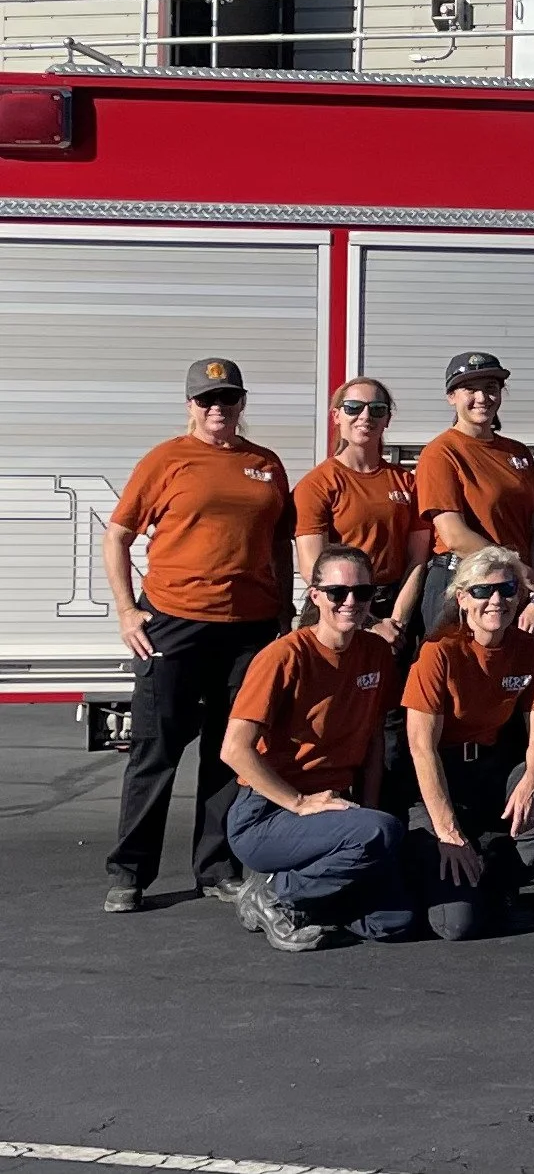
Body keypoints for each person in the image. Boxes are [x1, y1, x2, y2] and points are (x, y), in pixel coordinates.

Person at [101, 357, 293, 915]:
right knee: (155, 751)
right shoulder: (167, 459)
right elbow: (117, 537)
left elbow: (279, 542)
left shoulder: (266, 464)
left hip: (249, 629)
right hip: (176, 622)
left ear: (241, 404)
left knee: (230, 751)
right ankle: (130, 873)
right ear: (189, 405)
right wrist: (127, 610)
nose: (218, 409)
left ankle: (215, 868)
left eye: (228, 399)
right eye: (207, 399)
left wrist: (284, 611)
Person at [219, 546, 412, 951]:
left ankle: (307, 894)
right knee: (380, 834)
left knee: (393, 921)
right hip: (268, 814)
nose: (351, 603)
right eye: (338, 592)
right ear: (316, 595)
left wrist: (370, 807)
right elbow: (234, 750)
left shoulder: (375, 652)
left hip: (337, 809)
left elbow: (375, 737)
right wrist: (300, 802)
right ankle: (274, 894)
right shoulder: (284, 656)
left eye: (362, 592)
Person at [403, 545, 534, 940]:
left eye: (507, 590)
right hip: (443, 781)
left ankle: (498, 877)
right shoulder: (438, 653)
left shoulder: (528, 648)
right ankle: (458, 874)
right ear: (462, 599)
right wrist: (448, 830)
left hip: (492, 771)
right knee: (456, 925)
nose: (496, 601)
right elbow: (422, 748)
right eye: (482, 592)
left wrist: (533, 778)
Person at [413, 351, 534, 637]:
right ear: (451, 396)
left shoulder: (518, 452)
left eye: (491, 388)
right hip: (461, 583)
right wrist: (520, 572)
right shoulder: (441, 453)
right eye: (470, 389)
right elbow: (454, 536)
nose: (483, 398)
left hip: (513, 588)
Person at [292, 377, 428, 648]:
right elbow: (313, 570)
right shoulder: (317, 484)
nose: (365, 416)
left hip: (394, 608)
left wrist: (396, 623)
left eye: (377, 409)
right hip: (336, 609)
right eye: (354, 407)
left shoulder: (408, 483)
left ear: (387, 419)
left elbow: (418, 560)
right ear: (336, 416)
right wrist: (370, 623)